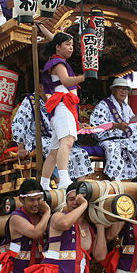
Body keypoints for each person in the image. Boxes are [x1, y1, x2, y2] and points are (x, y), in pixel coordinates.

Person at [12, 84, 94, 182]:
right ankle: (60, 183)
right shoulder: (30, 101)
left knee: (80, 153)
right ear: (40, 87)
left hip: (59, 137)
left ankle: (79, 187)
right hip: (40, 139)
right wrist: (21, 148)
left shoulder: (58, 100)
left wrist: (77, 127)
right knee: (53, 151)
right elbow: (19, 124)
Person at [40, 32, 86, 190]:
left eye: (72, 45)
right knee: (66, 142)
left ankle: (44, 183)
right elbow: (66, 81)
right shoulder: (58, 63)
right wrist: (85, 77)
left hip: (62, 106)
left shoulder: (58, 61)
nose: (71, 48)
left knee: (54, 150)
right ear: (58, 47)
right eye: (67, 44)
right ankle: (64, 179)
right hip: (63, 105)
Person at [88, 78, 137, 181]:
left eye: (126, 90)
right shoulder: (103, 105)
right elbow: (96, 128)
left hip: (126, 140)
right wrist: (116, 126)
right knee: (114, 150)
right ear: (113, 90)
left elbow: (134, 128)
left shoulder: (127, 108)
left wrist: (136, 141)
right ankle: (114, 181)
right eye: (120, 89)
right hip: (108, 141)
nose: (123, 92)